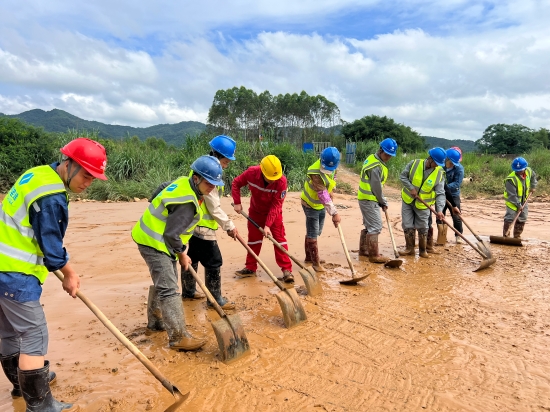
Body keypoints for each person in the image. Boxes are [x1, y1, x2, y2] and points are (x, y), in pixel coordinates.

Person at [0, 137, 107, 411]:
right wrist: (70, 273)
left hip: (3, 267)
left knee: (11, 333)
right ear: (69, 164)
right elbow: (52, 249)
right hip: (15, 273)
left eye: (93, 178)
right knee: (33, 334)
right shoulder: (51, 198)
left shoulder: (37, 174)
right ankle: (40, 406)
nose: (88, 183)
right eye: (85, 175)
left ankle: (20, 387)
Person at [132, 155, 224, 351]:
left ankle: (156, 322)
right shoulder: (187, 203)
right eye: (209, 183)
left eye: (215, 184)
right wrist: (182, 253)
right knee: (170, 288)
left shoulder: (183, 181)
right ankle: (178, 337)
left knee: (166, 279)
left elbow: (161, 188)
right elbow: (172, 234)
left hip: (152, 236)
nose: (212, 188)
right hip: (155, 241)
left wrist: (154, 203)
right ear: (197, 178)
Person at [180, 135, 238, 311]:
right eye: (226, 162)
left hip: (191, 225)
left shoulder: (203, 168)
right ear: (218, 156)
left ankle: (189, 292)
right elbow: (213, 207)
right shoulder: (209, 175)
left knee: (193, 257)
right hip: (202, 227)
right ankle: (215, 299)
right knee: (214, 261)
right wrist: (229, 226)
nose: (227, 165)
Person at [232, 155, 294, 283]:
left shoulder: (281, 181)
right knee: (254, 241)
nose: (272, 181)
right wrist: (237, 202)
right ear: (262, 170)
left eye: (275, 178)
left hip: (274, 215)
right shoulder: (251, 173)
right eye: (270, 178)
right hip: (255, 213)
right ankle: (250, 268)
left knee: (279, 241)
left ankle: (287, 270)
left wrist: (267, 226)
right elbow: (236, 183)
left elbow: (276, 205)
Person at [399, 147, 446, 258]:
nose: (437, 165)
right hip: (408, 200)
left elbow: (440, 193)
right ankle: (409, 249)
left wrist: (439, 210)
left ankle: (422, 250)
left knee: (423, 226)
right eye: (436, 163)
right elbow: (403, 176)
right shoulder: (414, 164)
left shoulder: (439, 173)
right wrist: (411, 188)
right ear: (430, 159)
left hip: (423, 204)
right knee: (407, 224)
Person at [357, 138, 398, 263]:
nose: (388, 157)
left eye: (390, 155)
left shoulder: (372, 158)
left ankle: (364, 250)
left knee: (369, 226)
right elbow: (376, 187)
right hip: (369, 198)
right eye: (387, 154)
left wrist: (380, 200)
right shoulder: (376, 166)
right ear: (381, 151)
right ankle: (373, 255)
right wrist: (382, 201)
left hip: (366, 198)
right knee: (376, 226)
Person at [300, 147, 341, 272]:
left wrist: (332, 191)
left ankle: (309, 257)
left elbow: (332, 179)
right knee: (313, 233)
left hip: (321, 205)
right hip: (310, 204)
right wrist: (334, 213)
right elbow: (322, 194)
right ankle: (315, 263)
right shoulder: (315, 172)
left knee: (317, 231)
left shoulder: (333, 166)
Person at [503, 157, 537, 238]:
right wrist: (518, 205)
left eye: (521, 170)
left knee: (523, 217)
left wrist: (533, 186)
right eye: (517, 170)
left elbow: (533, 177)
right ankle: (506, 236)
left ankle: (517, 236)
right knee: (510, 218)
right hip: (512, 201)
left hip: (524, 200)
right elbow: (512, 195)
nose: (519, 172)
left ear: (525, 168)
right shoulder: (510, 180)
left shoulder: (528, 171)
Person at [436, 148, 464, 244]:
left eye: (453, 163)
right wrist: (440, 189)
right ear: (446, 159)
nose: (451, 164)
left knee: (456, 216)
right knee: (440, 215)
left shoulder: (459, 169)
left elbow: (457, 183)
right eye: (450, 162)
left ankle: (458, 236)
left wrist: (444, 187)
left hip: (453, 195)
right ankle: (442, 237)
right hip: (440, 195)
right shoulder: (440, 166)